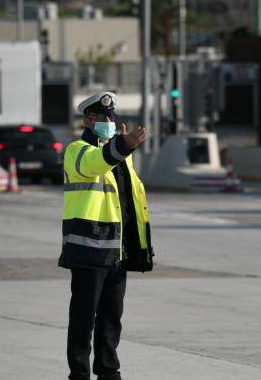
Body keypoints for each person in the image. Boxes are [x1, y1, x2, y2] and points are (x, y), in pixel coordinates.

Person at [59, 91, 154, 380]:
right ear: (88, 120)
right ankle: (79, 374)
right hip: (89, 250)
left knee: (111, 318)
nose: (109, 120)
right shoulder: (77, 150)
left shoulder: (121, 156)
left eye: (112, 116)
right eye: (103, 117)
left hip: (117, 250)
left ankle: (109, 372)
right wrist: (122, 147)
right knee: (83, 319)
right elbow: (96, 163)